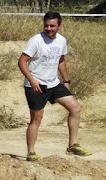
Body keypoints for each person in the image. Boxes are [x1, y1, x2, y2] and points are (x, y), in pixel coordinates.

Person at [18, 11, 90, 161]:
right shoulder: (36, 41)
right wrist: (32, 80)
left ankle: (72, 145)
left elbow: (61, 60)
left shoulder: (61, 41)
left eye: (52, 26)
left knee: (75, 108)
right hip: (36, 84)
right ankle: (31, 153)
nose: (49, 28)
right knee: (36, 119)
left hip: (54, 83)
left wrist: (66, 81)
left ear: (59, 26)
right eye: (46, 26)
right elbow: (22, 61)